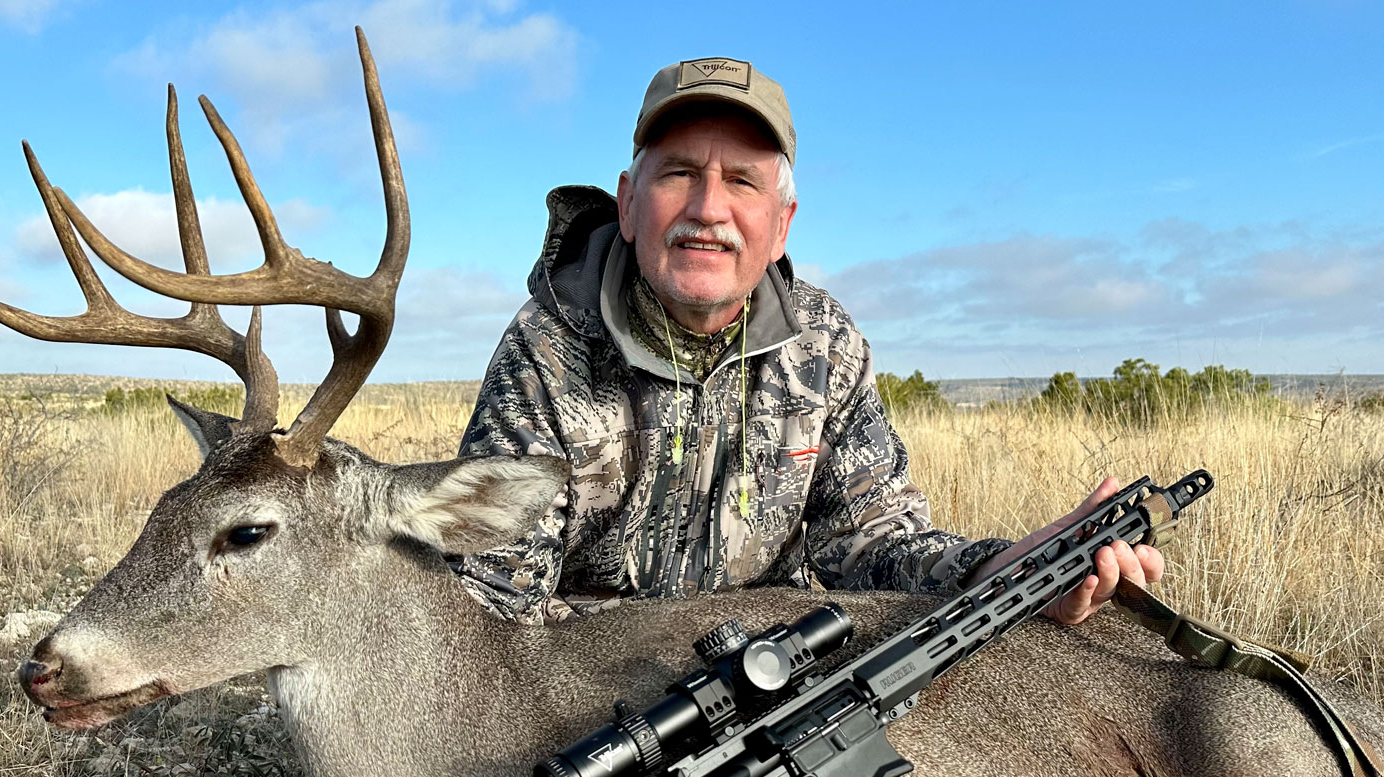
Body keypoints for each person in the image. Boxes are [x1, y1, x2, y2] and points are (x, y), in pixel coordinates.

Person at [451, 57, 1162, 624]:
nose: (708, 210)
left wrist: (1003, 570)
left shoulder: (826, 347)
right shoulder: (546, 353)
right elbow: (493, 606)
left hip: (770, 682)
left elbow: (874, 545)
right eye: (678, 174)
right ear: (629, 203)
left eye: (741, 181)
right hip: (593, 716)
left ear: (782, 223)